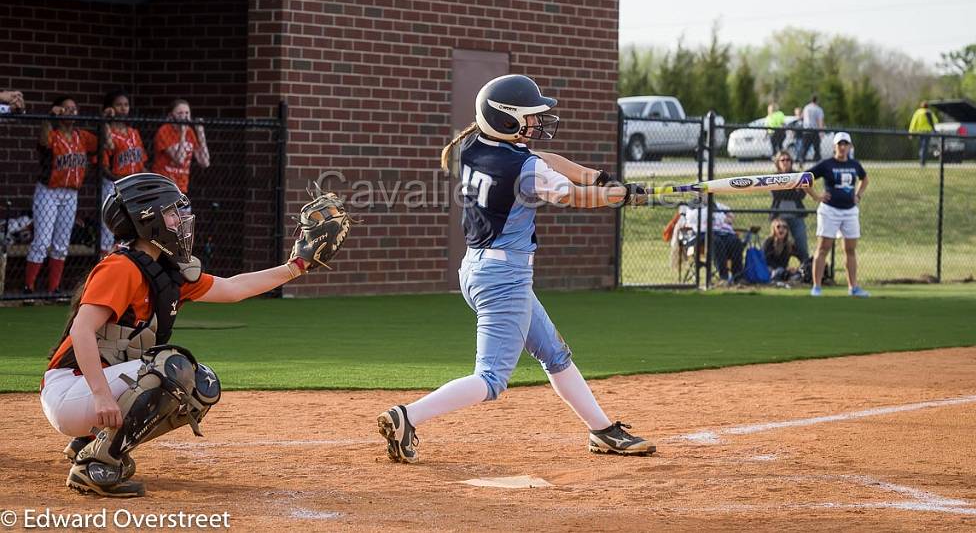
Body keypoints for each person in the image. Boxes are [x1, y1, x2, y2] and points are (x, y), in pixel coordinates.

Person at [376, 74, 655, 464]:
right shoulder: (524, 169)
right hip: (503, 279)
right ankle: (407, 416)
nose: (538, 123)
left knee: (554, 354)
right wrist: (619, 196)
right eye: (529, 117)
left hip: (478, 271)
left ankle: (602, 431)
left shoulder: (473, 147)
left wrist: (600, 178)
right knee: (490, 380)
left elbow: (544, 161)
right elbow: (571, 196)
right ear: (507, 120)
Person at [40, 172, 344, 497]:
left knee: (202, 384)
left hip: (91, 390)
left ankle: (90, 443)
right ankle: (95, 466)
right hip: (69, 387)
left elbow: (234, 288)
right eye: (171, 213)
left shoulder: (167, 272)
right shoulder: (121, 267)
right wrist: (100, 395)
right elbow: (82, 329)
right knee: (171, 367)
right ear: (148, 220)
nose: (181, 220)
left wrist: (297, 265)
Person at [25, 96, 101, 296]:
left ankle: (54, 289)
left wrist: (105, 119)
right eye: (66, 108)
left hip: (71, 193)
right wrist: (49, 118)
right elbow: (43, 141)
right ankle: (28, 288)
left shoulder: (82, 136)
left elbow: (106, 145)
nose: (70, 112)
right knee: (42, 241)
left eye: (73, 108)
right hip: (48, 192)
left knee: (61, 243)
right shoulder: (53, 133)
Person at [806, 132, 870, 297]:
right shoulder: (827, 164)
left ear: (850, 146)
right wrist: (816, 196)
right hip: (830, 210)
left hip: (849, 211)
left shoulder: (855, 164)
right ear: (834, 146)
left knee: (850, 249)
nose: (842, 147)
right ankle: (817, 287)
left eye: (845, 144)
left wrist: (858, 195)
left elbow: (864, 179)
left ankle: (853, 287)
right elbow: (805, 178)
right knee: (823, 247)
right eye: (839, 144)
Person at [99, 91, 147, 253]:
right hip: (113, 186)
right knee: (108, 230)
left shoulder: (134, 133)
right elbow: (103, 167)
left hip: (133, 187)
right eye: (118, 104)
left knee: (132, 229)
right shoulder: (107, 132)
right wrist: (121, 181)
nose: (123, 108)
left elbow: (141, 163)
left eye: (126, 105)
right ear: (110, 108)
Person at [152, 99, 209, 194]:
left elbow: (204, 162)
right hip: (164, 186)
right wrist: (183, 134)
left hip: (181, 186)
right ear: (171, 115)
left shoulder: (190, 132)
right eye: (180, 113)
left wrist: (201, 134)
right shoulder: (164, 130)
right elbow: (179, 160)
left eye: (187, 113)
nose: (184, 116)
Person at [769, 152, 809, 262]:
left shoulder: (798, 176)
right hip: (779, 217)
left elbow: (801, 195)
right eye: (783, 160)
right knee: (777, 246)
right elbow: (776, 194)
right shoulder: (773, 177)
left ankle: (806, 268)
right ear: (778, 163)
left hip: (796, 216)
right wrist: (793, 190)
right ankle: (776, 269)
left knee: (801, 244)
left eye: (788, 160)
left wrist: (784, 189)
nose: (785, 162)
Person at [762, 218, 800, 282]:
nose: (781, 229)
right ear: (774, 229)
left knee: (798, 274)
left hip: (783, 270)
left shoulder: (789, 244)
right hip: (769, 269)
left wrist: (797, 268)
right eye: (778, 227)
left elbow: (800, 256)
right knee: (779, 271)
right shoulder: (769, 242)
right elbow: (766, 260)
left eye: (784, 227)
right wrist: (783, 268)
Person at [908, 101, 937, 167]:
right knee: (925, 147)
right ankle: (922, 162)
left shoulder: (918, 112)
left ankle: (922, 160)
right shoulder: (929, 112)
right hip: (927, 132)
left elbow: (913, 123)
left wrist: (910, 132)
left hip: (919, 132)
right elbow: (935, 121)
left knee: (922, 146)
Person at [800, 95, 825, 165]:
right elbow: (819, 121)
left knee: (805, 148)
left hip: (806, 130)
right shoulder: (818, 109)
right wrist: (821, 131)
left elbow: (802, 117)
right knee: (817, 148)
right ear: (817, 100)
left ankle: (801, 161)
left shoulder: (806, 107)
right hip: (814, 131)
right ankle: (818, 162)